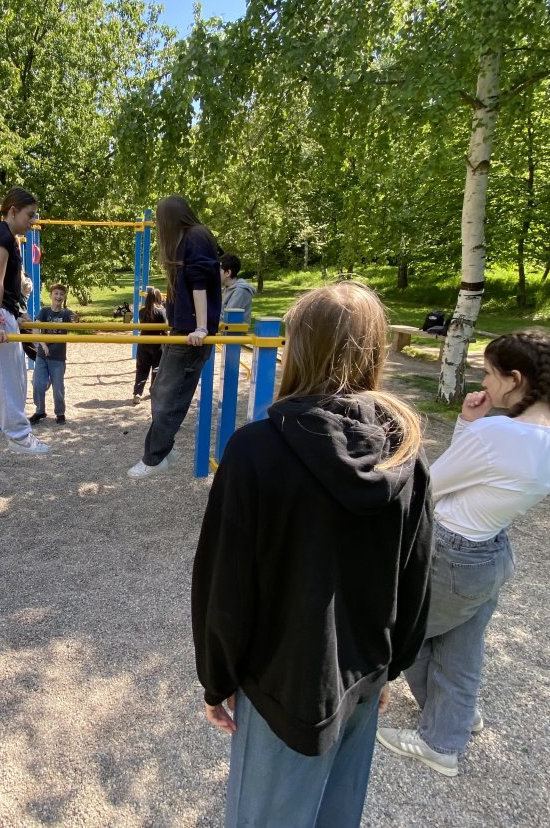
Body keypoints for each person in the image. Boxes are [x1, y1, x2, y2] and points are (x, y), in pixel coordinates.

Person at [192, 282, 433, 827]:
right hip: (363, 675)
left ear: (296, 347)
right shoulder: (405, 454)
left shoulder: (256, 451)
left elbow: (224, 586)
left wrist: (216, 678)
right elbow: (417, 576)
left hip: (284, 687)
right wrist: (389, 669)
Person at [377, 328, 550, 778]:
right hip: (491, 551)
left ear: (514, 379)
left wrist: (473, 429)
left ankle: (439, 736)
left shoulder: (498, 434)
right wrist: (470, 423)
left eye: (488, 373)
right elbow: (481, 479)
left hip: (450, 554)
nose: (483, 382)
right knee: (461, 649)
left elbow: (432, 486)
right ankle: (453, 722)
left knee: (405, 633)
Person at [128, 195, 221, 477]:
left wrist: (202, 328)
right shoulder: (185, 241)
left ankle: (154, 458)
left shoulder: (195, 237)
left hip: (192, 333)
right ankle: (164, 450)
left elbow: (200, 284)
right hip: (181, 329)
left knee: (170, 397)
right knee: (159, 391)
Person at [0, 186, 49, 454]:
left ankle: (20, 434)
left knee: (15, 373)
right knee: (8, 375)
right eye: (30, 215)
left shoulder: (6, 236)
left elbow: (7, 287)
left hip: (0, 311)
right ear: (13, 211)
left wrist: (17, 313)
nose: (33, 221)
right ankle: (18, 436)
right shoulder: (1, 235)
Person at [29, 283, 77, 425]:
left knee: (58, 388)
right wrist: (42, 344)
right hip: (42, 355)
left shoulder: (66, 313)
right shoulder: (44, 312)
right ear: (50, 295)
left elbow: (75, 322)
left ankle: (60, 413)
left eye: (61, 294)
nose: (58, 296)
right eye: (56, 293)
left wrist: (75, 319)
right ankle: (40, 411)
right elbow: (35, 329)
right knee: (38, 383)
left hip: (58, 356)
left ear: (64, 297)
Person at [132, 286, 167, 403]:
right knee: (157, 368)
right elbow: (164, 329)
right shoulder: (161, 311)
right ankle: (153, 390)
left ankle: (137, 393)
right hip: (158, 344)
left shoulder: (142, 311)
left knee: (142, 369)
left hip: (144, 343)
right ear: (159, 298)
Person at [219, 254, 257, 325]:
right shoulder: (227, 288)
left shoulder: (240, 291)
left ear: (228, 273)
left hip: (236, 331)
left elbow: (228, 318)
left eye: (218, 270)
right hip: (225, 330)